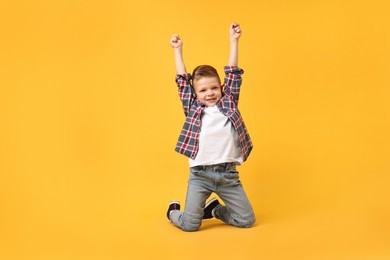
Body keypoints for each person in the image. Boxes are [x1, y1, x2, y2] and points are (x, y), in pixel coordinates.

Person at [167, 22, 255, 232]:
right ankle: (172, 212)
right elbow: (182, 81)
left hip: (228, 176)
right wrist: (177, 50)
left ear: (221, 88)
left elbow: (233, 73)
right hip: (200, 176)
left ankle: (215, 210)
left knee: (247, 220)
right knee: (190, 225)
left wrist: (234, 40)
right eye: (203, 90)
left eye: (214, 87)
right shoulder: (193, 108)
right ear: (195, 94)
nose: (210, 93)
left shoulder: (228, 103)